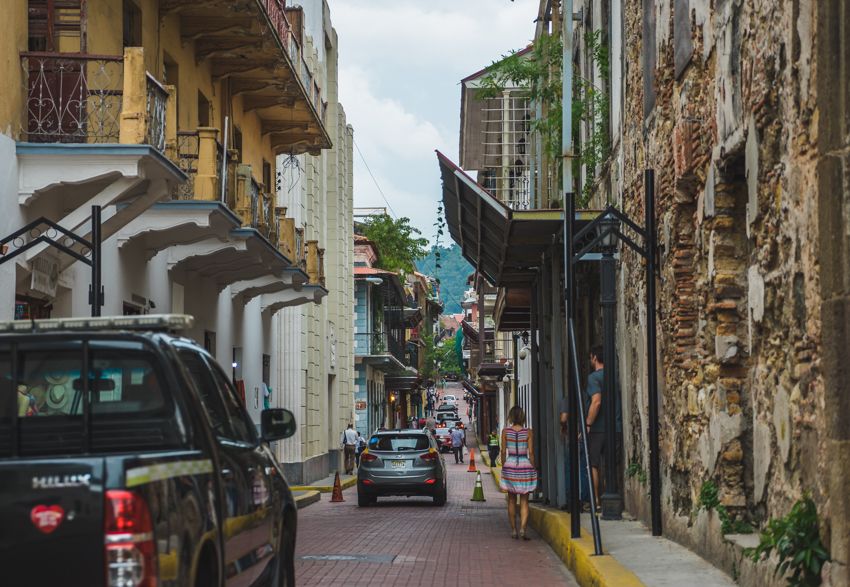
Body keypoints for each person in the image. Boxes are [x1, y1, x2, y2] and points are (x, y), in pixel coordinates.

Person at [500, 405, 537, 540]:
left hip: (510, 464)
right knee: (524, 500)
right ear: (522, 417)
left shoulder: (505, 431)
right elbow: (531, 453)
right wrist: (533, 467)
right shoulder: (528, 432)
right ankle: (523, 529)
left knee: (511, 500)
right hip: (524, 464)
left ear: (511, 417)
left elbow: (503, 451)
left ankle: (514, 530)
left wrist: (504, 465)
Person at [584, 345, 605, 510]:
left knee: (593, 465)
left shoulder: (593, 378)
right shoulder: (613, 375)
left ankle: (596, 501)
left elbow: (596, 402)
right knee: (609, 464)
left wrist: (588, 424)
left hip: (598, 428)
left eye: (591, 357)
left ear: (595, 358)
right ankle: (609, 498)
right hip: (615, 426)